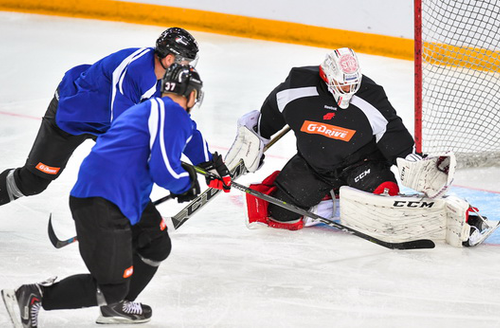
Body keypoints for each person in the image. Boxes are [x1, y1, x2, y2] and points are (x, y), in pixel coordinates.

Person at [1, 64, 231, 327]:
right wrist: (185, 183)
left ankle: (116, 307)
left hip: (120, 193)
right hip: (103, 199)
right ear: (191, 96)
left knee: (156, 243)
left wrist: (210, 165)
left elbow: (189, 136)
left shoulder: (154, 109)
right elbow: (163, 170)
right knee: (111, 286)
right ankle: (33, 296)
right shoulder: (170, 114)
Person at [0, 27, 199, 206]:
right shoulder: (136, 70)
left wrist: (206, 161)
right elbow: (122, 128)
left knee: (127, 173)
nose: (188, 67)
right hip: (71, 117)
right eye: (185, 61)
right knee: (33, 182)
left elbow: (176, 121)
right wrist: (168, 166)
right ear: (169, 59)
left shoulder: (166, 81)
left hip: (105, 123)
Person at [240, 47, 419, 231]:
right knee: (280, 215)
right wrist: (254, 142)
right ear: (327, 76)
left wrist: (412, 164)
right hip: (314, 166)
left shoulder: (371, 96)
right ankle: (335, 202)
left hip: (361, 165)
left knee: (383, 202)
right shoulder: (296, 88)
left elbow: (394, 137)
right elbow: (266, 122)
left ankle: (346, 199)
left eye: (352, 84)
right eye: (343, 85)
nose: (348, 90)